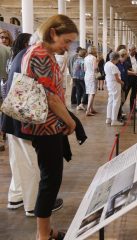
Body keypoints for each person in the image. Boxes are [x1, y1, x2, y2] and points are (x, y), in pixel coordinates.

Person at [21, 14, 78, 239]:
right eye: (66, 41)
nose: (68, 46)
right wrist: (71, 121)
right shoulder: (41, 54)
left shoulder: (41, 51)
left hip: (47, 125)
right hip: (45, 127)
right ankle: (43, 235)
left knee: (50, 178)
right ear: (53, 32)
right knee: (50, 180)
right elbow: (51, 99)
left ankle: (46, 231)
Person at [1, 33, 64, 218]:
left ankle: (16, 196)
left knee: (18, 161)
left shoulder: (18, 56)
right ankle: (32, 204)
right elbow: (46, 94)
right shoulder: (35, 56)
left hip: (12, 116)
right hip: (26, 119)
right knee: (30, 163)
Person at [104, 52, 124, 126]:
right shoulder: (113, 66)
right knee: (116, 101)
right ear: (116, 58)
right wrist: (122, 83)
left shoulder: (106, 64)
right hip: (115, 84)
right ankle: (114, 120)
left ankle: (108, 118)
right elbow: (117, 78)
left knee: (110, 100)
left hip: (109, 84)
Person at [84, 46, 98, 116]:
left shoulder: (85, 58)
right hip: (92, 76)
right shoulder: (94, 58)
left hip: (87, 75)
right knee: (92, 93)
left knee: (90, 92)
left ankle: (91, 108)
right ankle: (88, 110)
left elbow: (84, 69)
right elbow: (95, 68)